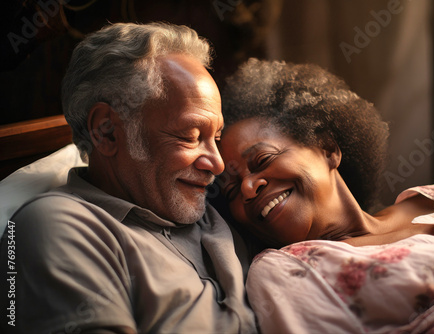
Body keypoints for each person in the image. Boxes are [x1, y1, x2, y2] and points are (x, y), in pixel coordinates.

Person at [0, 23, 257, 333]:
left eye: (216, 137)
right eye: (190, 136)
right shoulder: (58, 226)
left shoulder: (221, 207)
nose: (217, 164)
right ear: (106, 131)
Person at [217, 58, 434, 333]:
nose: (247, 188)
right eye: (231, 190)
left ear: (328, 149)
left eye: (263, 159)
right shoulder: (282, 272)